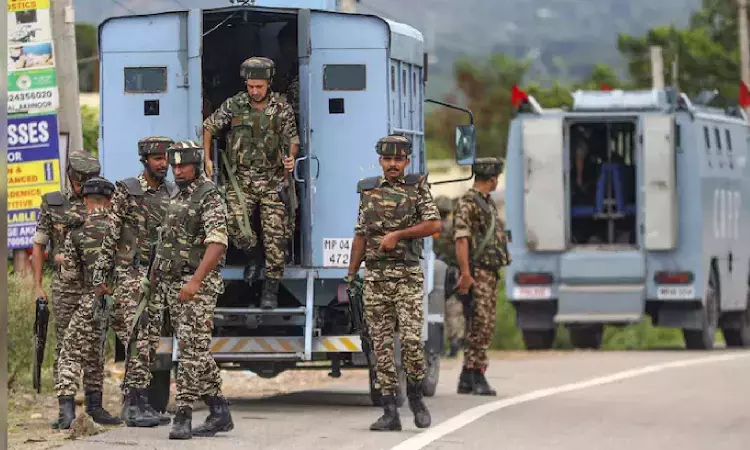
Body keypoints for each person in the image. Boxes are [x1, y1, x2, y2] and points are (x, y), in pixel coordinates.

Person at [346, 134, 440, 431]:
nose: (393, 165)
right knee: (380, 347)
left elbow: (434, 224)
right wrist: (351, 275)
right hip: (375, 278)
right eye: (388, 160)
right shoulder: (368, 191)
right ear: (381, 161)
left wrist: (398, 235)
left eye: (398, 160)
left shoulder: (417, 188)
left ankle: (415, 399)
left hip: (407, 276)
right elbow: (360, 235)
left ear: (407, 161)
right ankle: (389, 410)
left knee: (412, 341)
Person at [92, 136, 176, 427]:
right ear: (146, 161)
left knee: (150, 341)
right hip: (129, 275)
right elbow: (111, 237)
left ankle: (140, 401)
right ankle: (132, 405)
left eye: (166, 158)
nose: (163, 164)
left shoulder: (170, 192)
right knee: (138, 338)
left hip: (156, 277)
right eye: (157, 159)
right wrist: (101, 279)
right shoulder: (128, 190)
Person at [203, 56, 299, 309]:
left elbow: (293, 138)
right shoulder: (235, 104)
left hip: (273, 179)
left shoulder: (282, 107)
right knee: (235, 225)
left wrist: (291, 158)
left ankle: (271, 289)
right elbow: (210, 126)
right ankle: (254, 257)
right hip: (241, 179)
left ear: (269, 84)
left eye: (260, 86)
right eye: (251, 86)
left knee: (276, 236)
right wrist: (206, 159)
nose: (255, 91)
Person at [152, 140, 233, 440]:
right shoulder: (175, 193)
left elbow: (217, 243)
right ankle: (219, 409)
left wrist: (196, 281)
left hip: (197, 284)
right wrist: (155, 278)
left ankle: (183, 413)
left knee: (188, 350)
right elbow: (165, 241)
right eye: (174, 166)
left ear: (196, 165)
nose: (177, 170)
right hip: (173, 282)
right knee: (195, 347)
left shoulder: (208, 195)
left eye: (183, 165)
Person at [31, 150, 103, 429]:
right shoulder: (54, 203)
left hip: (95, 285)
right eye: (79, 179)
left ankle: (96, 405)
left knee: (95, 342)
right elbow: (39, 244)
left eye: (88, 180)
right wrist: (38, 285)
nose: (82, 185)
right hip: (66, 285)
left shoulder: (102, 199)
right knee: (65, 345)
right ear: (70, 176)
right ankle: (66, 408)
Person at [54, 176, 122, 429]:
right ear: (111, 200)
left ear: (85, 201)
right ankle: (111, 406)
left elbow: (70, 275)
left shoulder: (77, 232)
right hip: (117, 297)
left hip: (90, 297)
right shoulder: (120, 228)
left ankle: (66, 412)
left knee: (71, 351)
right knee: (98, 350)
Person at [453, 157, 512, 397]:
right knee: (480, 324)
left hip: (487, 272)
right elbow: (461, 239)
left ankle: (469, 374)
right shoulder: (469, 203)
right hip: (478, 272)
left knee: (482, 324)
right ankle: (476, 373)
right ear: (493, 178)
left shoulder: (485, 202)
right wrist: (466, 273)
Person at [432, 196, 465, 358]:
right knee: (453, 309)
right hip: (453, 271)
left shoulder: (432, 228)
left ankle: (441, 345)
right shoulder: (454, 228)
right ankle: (455, 342)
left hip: (437, 271)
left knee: (437, 308)